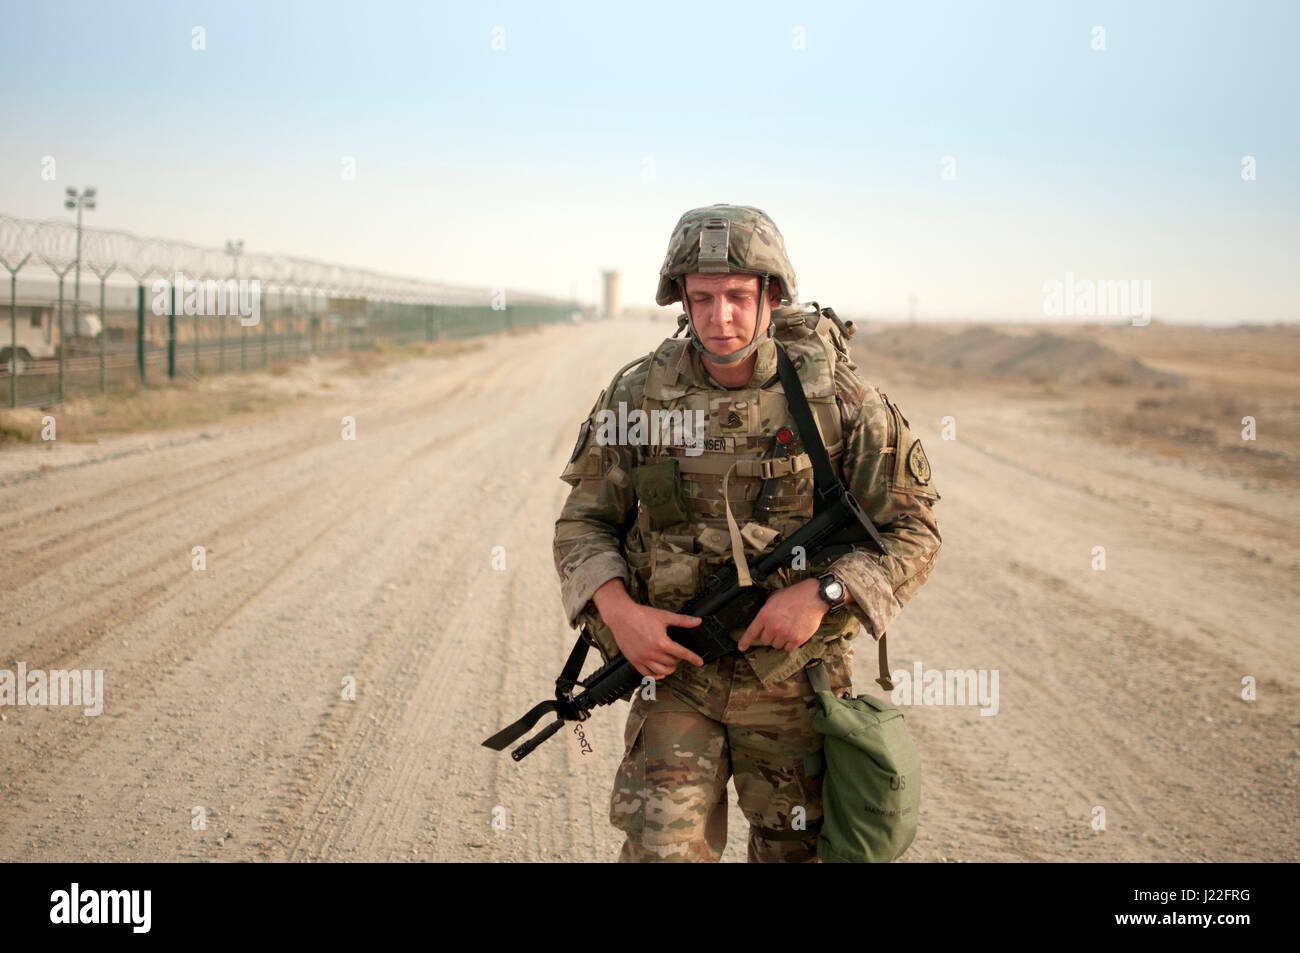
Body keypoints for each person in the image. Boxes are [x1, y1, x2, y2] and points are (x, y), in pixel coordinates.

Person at [553, 204, 941, 862]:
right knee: (658, 851)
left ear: (773, 295)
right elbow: (584, 523)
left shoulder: (840, 402)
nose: (719, 316)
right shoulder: (639, 396)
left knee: (798, 851)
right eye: (701, 298)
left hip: (794, 681)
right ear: (680, 298)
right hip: (677, 675)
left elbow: (913, 529)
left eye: (737, 296)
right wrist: (621, 616)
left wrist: (824, 593)